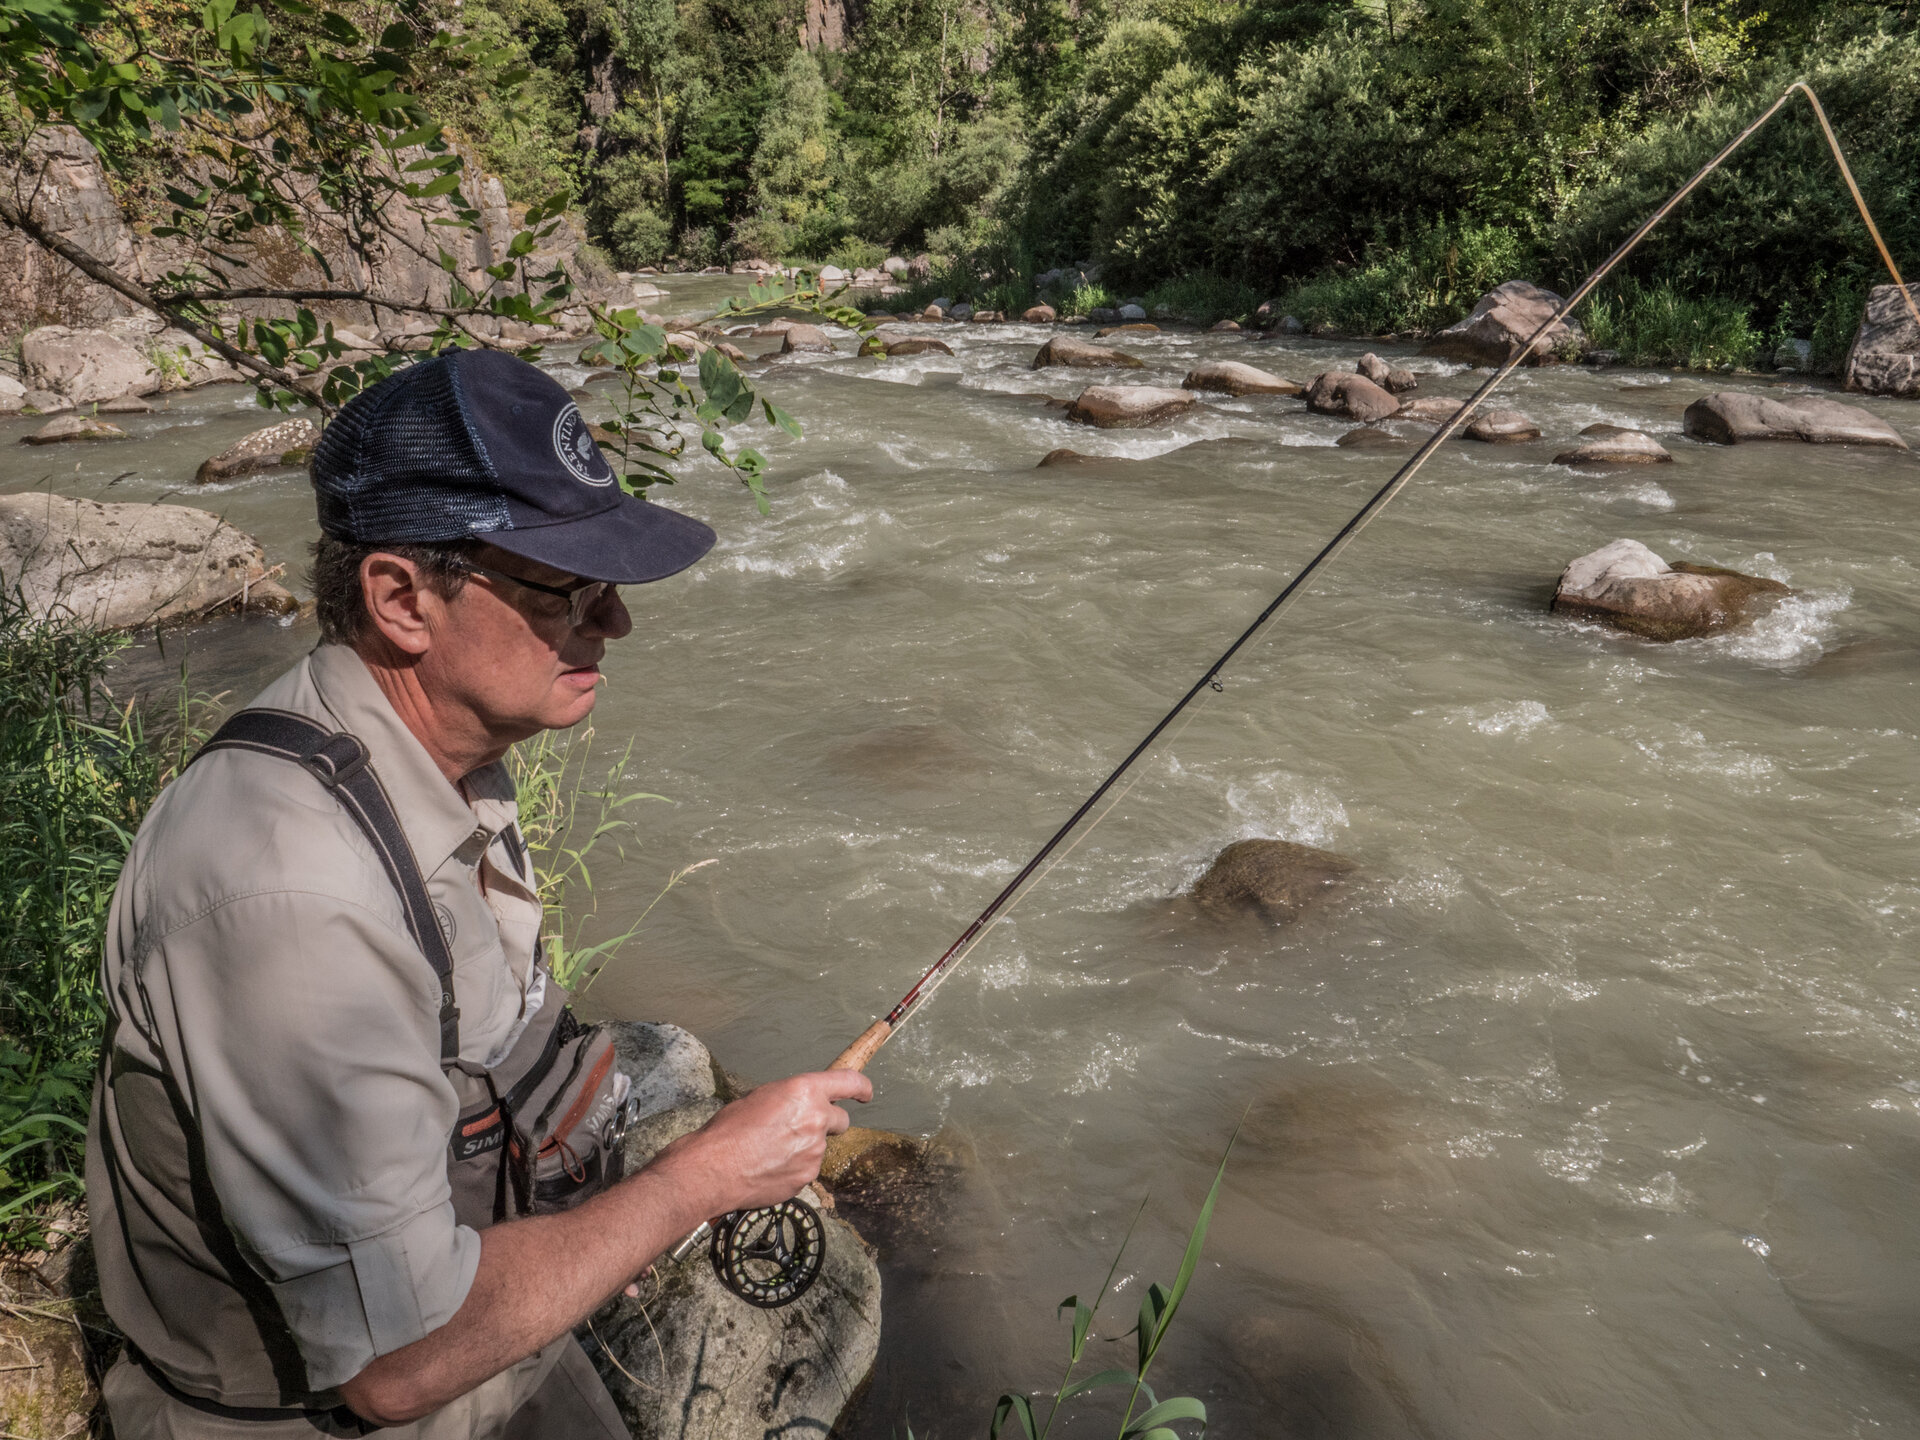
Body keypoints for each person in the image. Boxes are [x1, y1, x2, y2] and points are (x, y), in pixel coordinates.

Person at [85, 349, 873, 1438]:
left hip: (508, 1362)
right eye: (569, 590)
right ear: (401, 599)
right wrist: (704, 1177)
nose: (616, 625)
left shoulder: (441, 751)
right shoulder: (288, 897)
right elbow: (397, 1364)